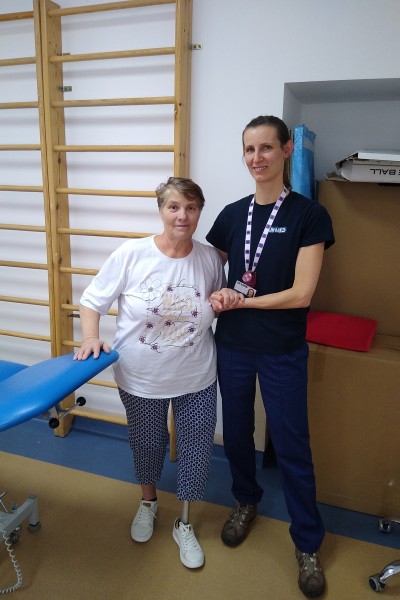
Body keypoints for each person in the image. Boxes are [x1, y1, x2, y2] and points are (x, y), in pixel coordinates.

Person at [206, 115, 334, 598]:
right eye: (249, 150)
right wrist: (211, 296)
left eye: (266, 148)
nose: (257, 158)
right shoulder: (233, 213)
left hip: (281, 349)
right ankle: (245, 501)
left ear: (285, 151)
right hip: (233, 345)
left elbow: (302, 293)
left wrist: (241, 300)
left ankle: (307, 543)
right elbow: (207, 267)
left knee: (292, 445)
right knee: (237, 432)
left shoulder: (309, 215)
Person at [74, 176, 225, 569]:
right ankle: (148, 502)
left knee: (196, 450)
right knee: (148, 444)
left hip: (197, 375)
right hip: (141, 376)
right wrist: (91, 337)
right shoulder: (132, 254)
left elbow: (214, 305)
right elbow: (92, 300)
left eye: (191, 208)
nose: (183, 215)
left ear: (199, 212)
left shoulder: (210, 259)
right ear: (160, 210)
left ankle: (185, 522)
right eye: (174, 207)